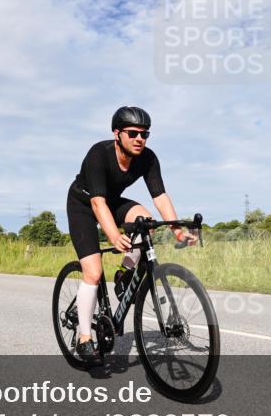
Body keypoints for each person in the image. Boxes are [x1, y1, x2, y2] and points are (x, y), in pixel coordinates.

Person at [66, 106, 195, 366]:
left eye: (145, 134)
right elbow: (97, 204)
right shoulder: (99, 154)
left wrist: (177, 230)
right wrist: (114, 236)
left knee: (145, 222)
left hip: (112, 202)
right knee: (92, 272)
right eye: (133, 133)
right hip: (84, 203)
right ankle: (83, 337)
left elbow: (160, 196)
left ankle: (124, 274)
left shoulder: (147, 158)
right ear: (117, 133)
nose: (140, 139)